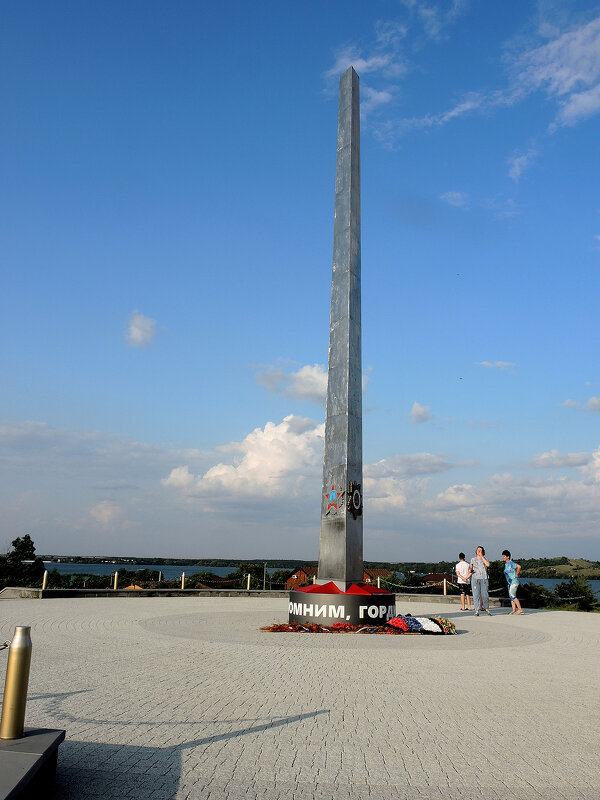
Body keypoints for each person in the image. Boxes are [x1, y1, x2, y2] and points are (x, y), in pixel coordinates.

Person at [468, 546, 491, 616]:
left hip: (484, 578)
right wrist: (470, 569)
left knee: (485, 595)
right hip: (475, 579)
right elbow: (470, 568)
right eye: (478, 550)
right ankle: (477, 610)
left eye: (480, 550)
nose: (479, 551)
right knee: (476, 595)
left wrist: (482, 556)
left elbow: (488, 565)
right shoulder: (473, 559)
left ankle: (486, 608)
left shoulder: (485, 559)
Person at [502, 550, 523, 615]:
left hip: (514, 581)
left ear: (508, 557)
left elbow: (519, 566)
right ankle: (514, 610)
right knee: (511, 596)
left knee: (512, 595)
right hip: (510, 583)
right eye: (503, 556)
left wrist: (517, 573)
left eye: (504, 556)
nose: (503, 557)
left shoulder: (511, 563)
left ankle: (520, 609)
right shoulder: (506, 564)